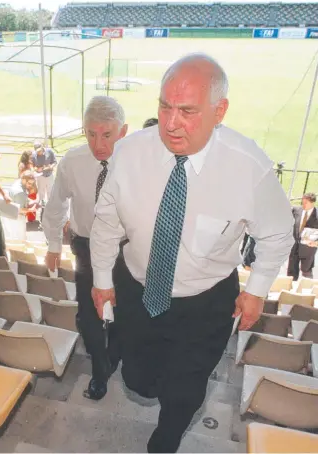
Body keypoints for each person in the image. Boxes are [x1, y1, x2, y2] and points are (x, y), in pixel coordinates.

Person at [89, 54, 293, 453]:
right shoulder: (128, 153)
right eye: (165, 106)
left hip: (206, 302)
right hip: (138, 289)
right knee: (138, 382)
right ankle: (158, 383)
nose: (171, 122)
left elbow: (278, 234)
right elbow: (106, 222)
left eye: (187, 111)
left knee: (184, 389)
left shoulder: (249, 166)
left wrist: (257, 290)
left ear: (220, 111)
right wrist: (100, 281)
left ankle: (166, 438)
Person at [43, 96, 128, 401]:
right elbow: (56, 205)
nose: (98, 144)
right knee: (89, 315)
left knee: (121, 311)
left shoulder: (137, 162)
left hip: (126, 250)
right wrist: (54, 244)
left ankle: (114, 353)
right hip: (86, 248)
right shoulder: (72, 161)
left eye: (107, 134)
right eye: (91, 134)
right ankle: (100, 368)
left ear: (123, 131)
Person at [287, 192, 318, 280]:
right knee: (291, 272)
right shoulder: (296, 210)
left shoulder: (317, 215)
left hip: (308, 249)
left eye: (305, 203)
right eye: (302, 202)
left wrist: (316, 243)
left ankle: (306, 290)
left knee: (306, 273)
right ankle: (290, 290)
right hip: (294, 247)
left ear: (312, 202)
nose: (303, 205)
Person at [31, 140, 57, 205]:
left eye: (39, 151)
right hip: (40, 176)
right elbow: (32, 165)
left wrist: (51, 167)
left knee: (50, 191)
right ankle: (42, 205)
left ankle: (51, 204)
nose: (39, 153)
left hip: (49, 175)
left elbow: (54, 162)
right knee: (41, 191)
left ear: (42, 147)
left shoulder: (49, 151)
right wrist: (36, 169)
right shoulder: (33, 155)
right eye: (37, 151)